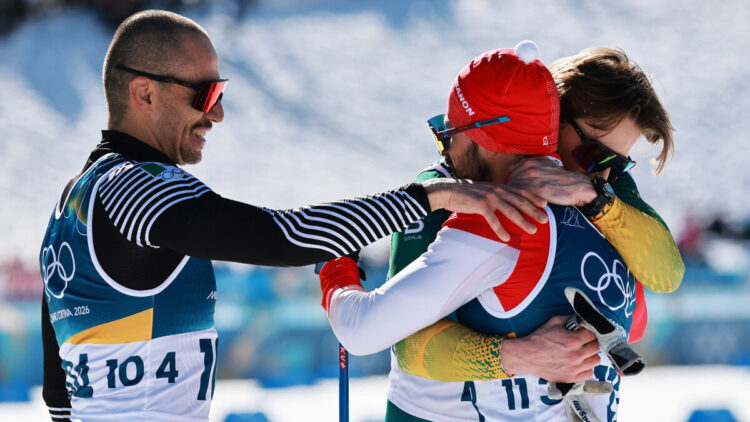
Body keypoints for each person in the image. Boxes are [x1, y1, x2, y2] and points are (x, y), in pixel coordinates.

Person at [37, 11, 594, 422]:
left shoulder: (72, 203)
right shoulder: (133, 190)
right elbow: (278, 237)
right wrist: (433, 198)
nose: (219, 113)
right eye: (206, 95)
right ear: (144, 93)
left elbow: (60, 396)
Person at [319, 43, 683, 421]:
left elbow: (661, 280)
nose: (604, 173)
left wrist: (595, 200)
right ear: (551, 115)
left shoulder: (596, 186)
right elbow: (407, 345)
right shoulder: (446, 191)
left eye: (618, 165)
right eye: (592, 155)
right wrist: (524, 354)